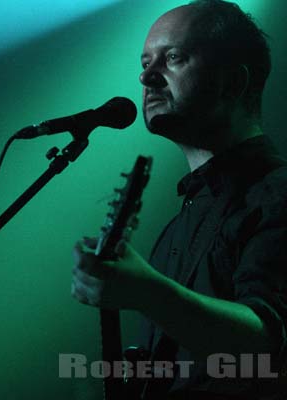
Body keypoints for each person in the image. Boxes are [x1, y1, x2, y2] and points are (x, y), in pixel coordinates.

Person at [71, 0, 287, 399]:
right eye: (145, 61)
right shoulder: (178, 225)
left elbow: (267, 345)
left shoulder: (277, 194)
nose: (147, 75)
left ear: (234, 82)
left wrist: (147, 291)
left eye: (173, 57)